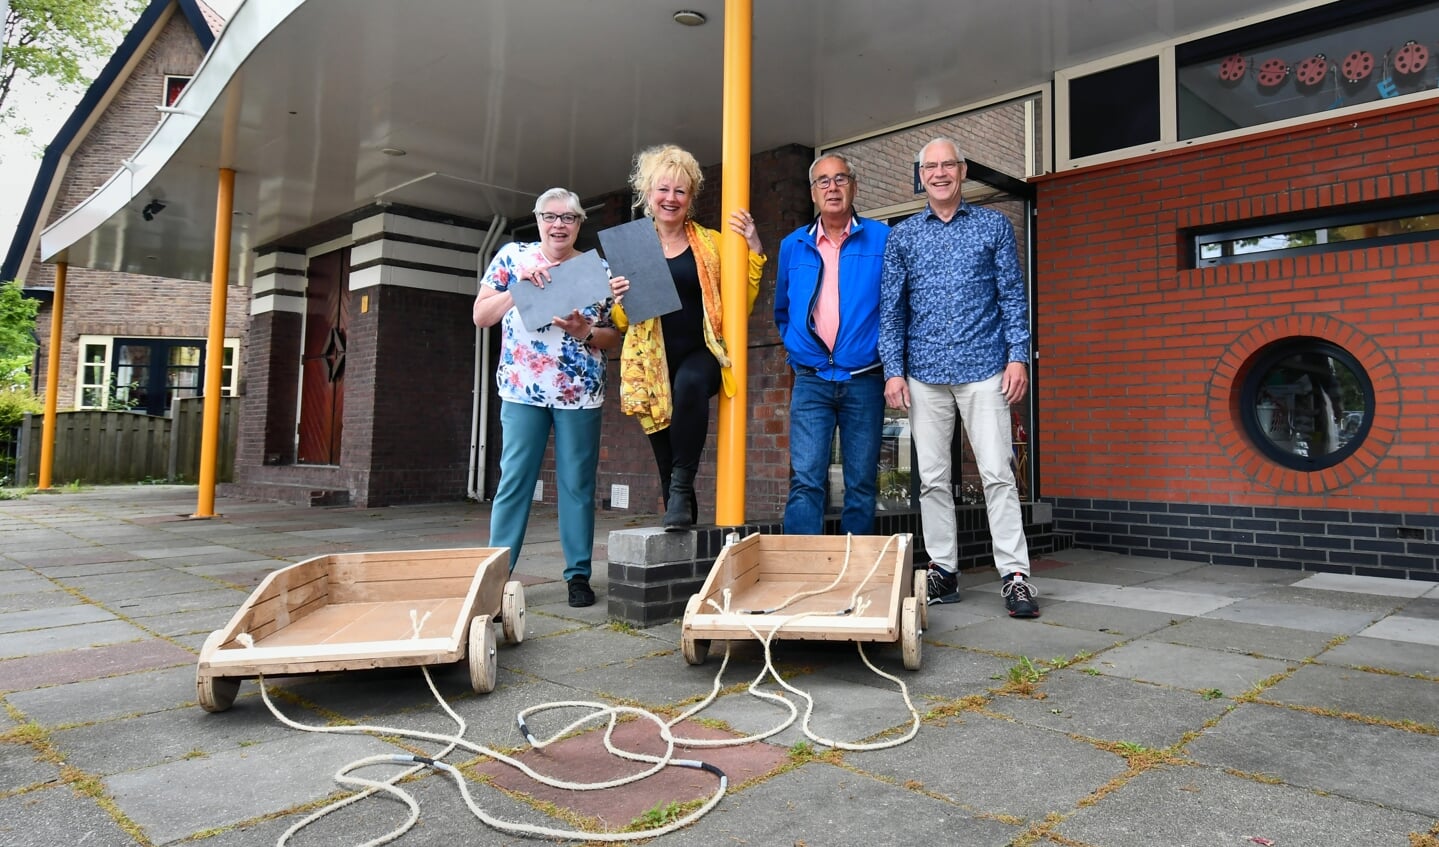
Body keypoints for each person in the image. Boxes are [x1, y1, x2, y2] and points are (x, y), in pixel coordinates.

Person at [878, 138, 1039, 618]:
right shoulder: (903, 236)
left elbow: (1012, 296)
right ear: (920, 175)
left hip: (985, 369)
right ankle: (943, 571)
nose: (941, 173)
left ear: (963, 170)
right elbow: (892, 312)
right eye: (932, 166)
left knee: (997, 474)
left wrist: (1018, 357)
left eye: (949, 164)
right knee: (931, 479)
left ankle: (1015, 576)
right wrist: (893, 371)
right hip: (924, 374)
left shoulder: (993, 225)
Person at [473, 188, 628, 608]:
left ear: (579, 224)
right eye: (550, 216)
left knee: (577, 485)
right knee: (514, 482)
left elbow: (616, 335)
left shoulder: (599, 269)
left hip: (579, 392)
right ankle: (496, 576)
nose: (558, 224)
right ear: (538, 219)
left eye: (569, 218)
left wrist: (586, 332)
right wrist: (517, 290)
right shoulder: (511, 258)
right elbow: (482, 315)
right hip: (523, 389)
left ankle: (578, 575)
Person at [614, 144, 766, 530]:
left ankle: (681, 491)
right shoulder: (635, 245)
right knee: (666, 458)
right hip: (652, 363)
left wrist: (754, 251)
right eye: (663, 189)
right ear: (648, 193)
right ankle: (681, 522)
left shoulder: (712, 242)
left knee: (690, 384)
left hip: (703, 353)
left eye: (680, 191)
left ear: (691, 197)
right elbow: (622, 321)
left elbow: (739, 305)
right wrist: (618, 298)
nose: (671, 199)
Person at [774, 153, 889, 535]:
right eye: (823, 181)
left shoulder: (883, 238)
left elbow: (893, 307)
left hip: (864, 379)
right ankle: (799, 577)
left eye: (840, 179)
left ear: (854, 186)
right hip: (811, 380)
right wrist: (798, 348)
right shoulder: (793, 245)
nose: (833, 187)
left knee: (860, 484)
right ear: (812, 193)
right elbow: (783, 310)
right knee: (806, 481)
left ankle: (856, 576)